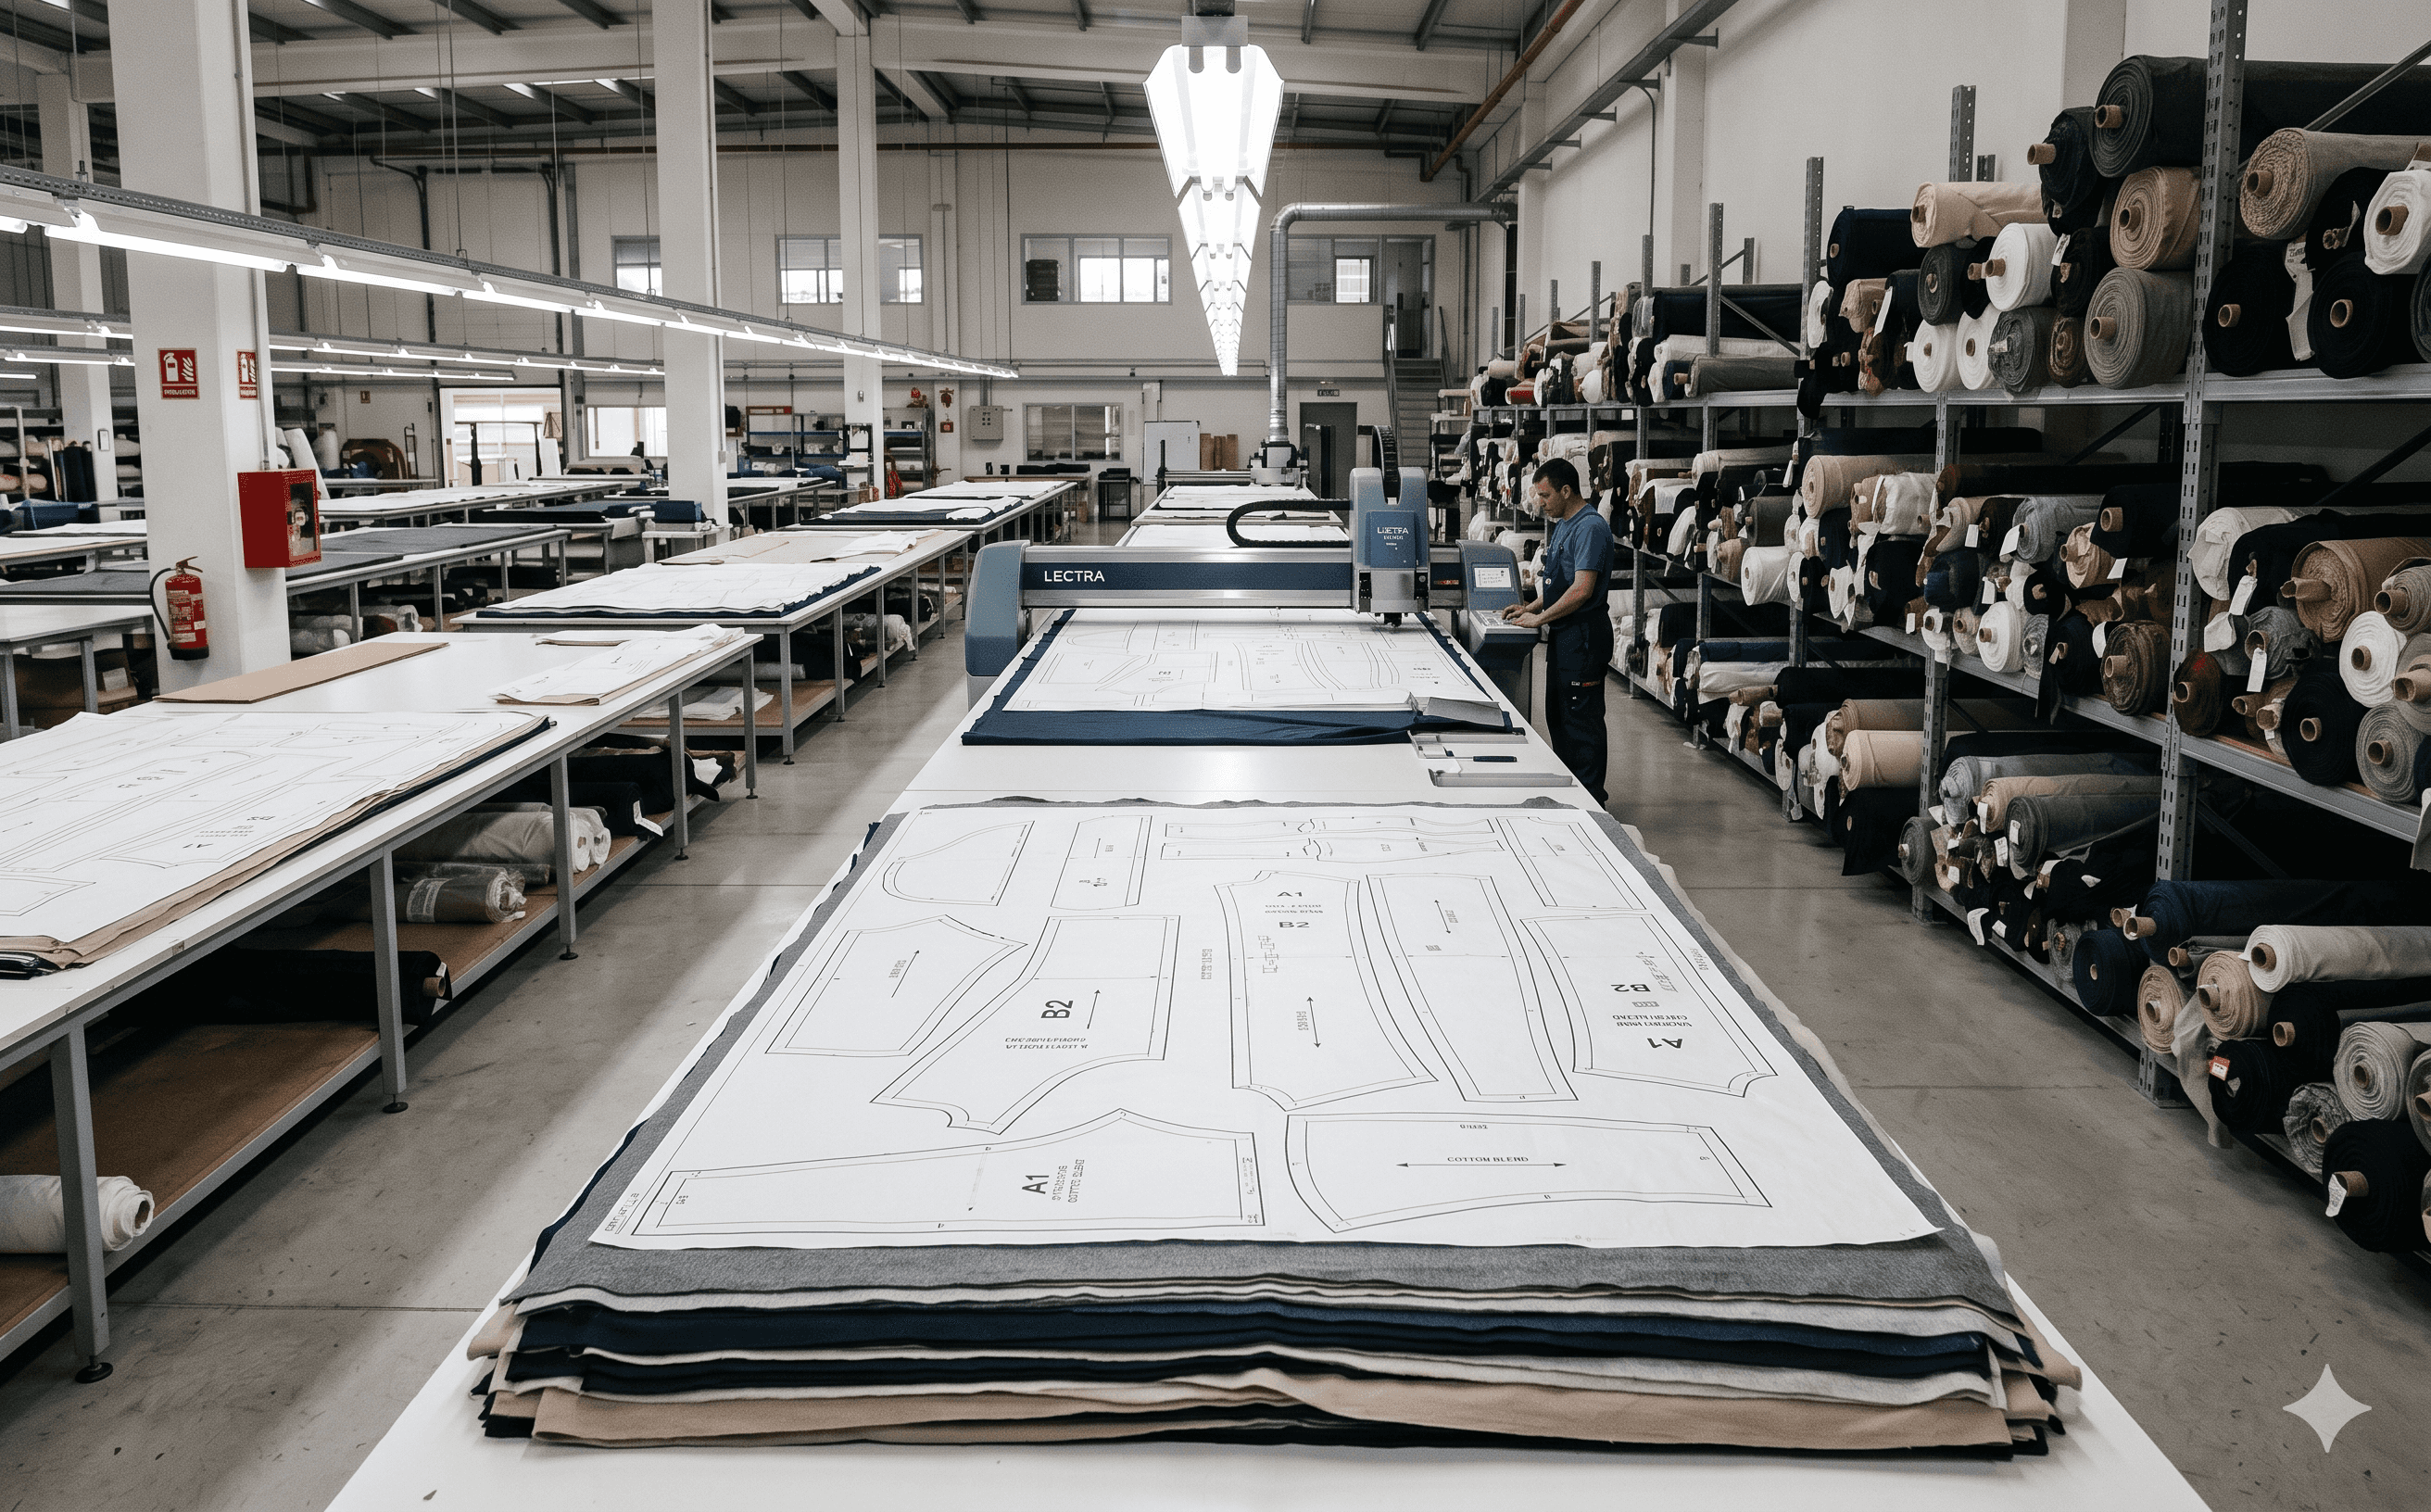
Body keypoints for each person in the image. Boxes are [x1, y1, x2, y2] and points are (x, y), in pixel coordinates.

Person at [1501, 458, 1613, 803]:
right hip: (1566, 639)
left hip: (1584, 636)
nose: (1541, 503)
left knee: (1581, 723)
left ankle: (1593, 800)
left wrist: (1540, 619)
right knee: (1559, 717)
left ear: (1567, 491)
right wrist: (1530, 607)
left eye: (1546, 495)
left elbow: (1581, 589)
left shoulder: (1590, 527)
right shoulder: (1564, 523)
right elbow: (1558, 583)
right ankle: (1573, 795)